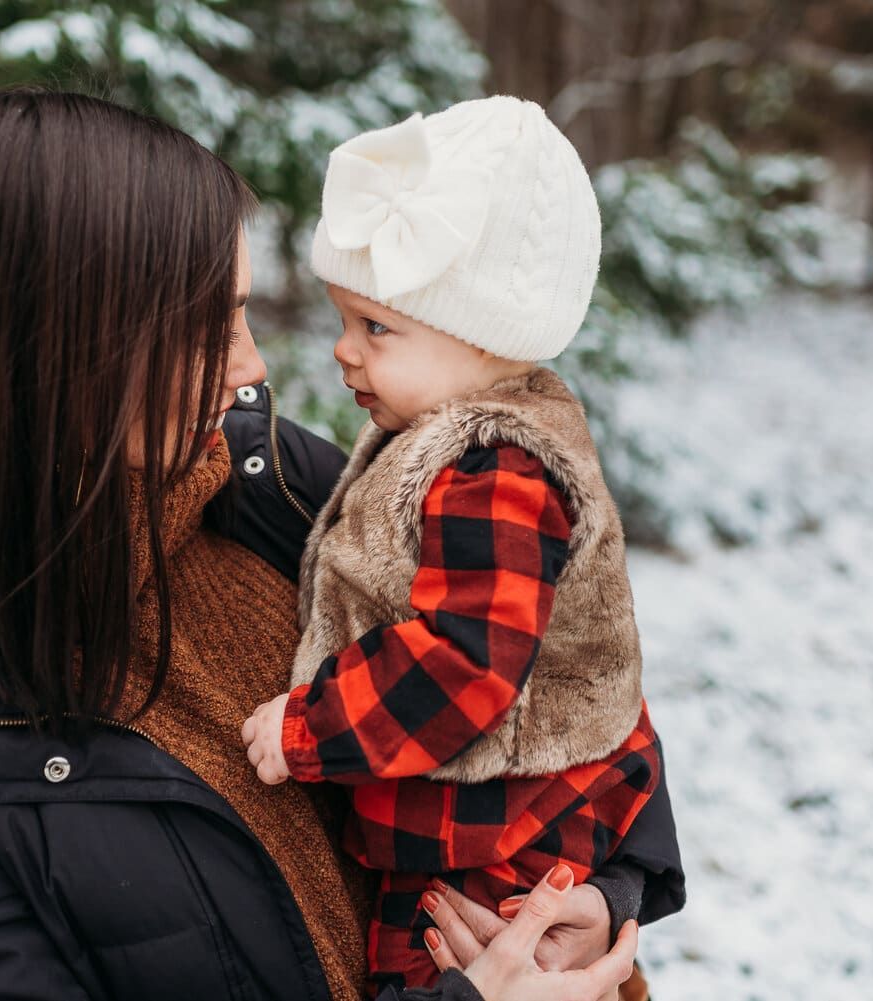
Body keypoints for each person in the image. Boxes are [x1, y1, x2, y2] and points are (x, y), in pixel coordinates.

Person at [0, 85, 685, 1001]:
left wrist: (602, 896)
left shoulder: (272, 485)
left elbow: (552, 675)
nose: (254, 367)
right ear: (54, 348)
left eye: (244, 312)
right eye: (207, 325)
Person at [240, 97, 666, 994]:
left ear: (486, 336)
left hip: (501, 838)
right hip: (477, 819)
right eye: (346, 320)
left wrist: (308, 726)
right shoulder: (453, 441)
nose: (342, 353)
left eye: (376, 327)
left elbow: (466, 659)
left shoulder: (496, 469)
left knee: (430, 972)